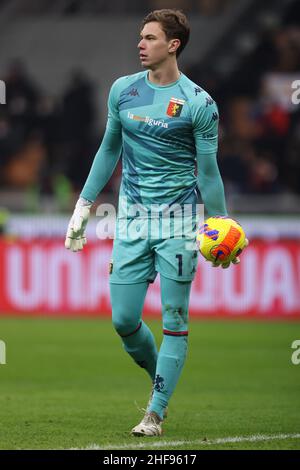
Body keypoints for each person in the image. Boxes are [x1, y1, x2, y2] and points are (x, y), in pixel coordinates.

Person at [65, 9, 247, 436]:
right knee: (123, 320)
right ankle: (159, 382)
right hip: (130, 219)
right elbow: (108, 150)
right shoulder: (123, 92)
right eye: (140, 37)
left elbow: (208, 171)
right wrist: (83, 205)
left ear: (173, 45)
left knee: (174, 318)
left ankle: (156, 412)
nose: (140, 44)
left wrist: (222, 224)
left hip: (180, 224)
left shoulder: (199, 104)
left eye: (149, 38)